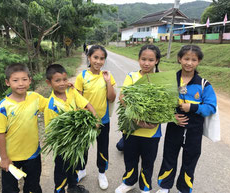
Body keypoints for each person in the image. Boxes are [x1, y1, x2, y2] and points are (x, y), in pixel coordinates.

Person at [156, 45, 217, 193]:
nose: (189, 63)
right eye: (186, 59)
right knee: (169, 156)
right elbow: (160, 103)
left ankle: (185, 188)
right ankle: (165, 187)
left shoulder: (203, 84)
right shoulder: (169, 80)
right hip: (174, 127)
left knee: (190, 160)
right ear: (179, 59)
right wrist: (171, 116)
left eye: (193, 60)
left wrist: (193, 108)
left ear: (198, 62)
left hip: (194, 131)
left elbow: (211, 107)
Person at [0, 63, 47, 193]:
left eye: (24, 79)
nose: (20, 83)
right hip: (11, 157)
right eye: (15, 80)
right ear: (7, 82)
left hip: (33, 153)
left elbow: (51, 105)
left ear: (30, 80)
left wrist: (65, 91)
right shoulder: (3, 107)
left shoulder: (35, 97)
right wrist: (4, 158)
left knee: (33, 186)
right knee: (10, 189)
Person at [115, 44, 162, 193]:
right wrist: (136, 117)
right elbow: (123, 97)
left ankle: (145, 186)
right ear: (138, 59)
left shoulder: (161, 80)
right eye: (143, 59)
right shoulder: (131, 76)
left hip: (151, 131)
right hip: (132, 129)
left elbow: (165, 106)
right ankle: (129, 182)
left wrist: (153, 122)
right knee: (130, 158)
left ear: (157, 61)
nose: (146, 63)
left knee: (148, 161)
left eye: (150, 60)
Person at [44, 64, 97, 193]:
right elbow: (52, 132)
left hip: (77, 142)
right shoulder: (51, 105)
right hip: (64, 145)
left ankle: (73, 187)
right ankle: (60, 189)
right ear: (49, 83)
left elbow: (86, 103)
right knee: (62, 169)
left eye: (64, 79)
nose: (62, 83)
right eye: (57, 80)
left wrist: (94, 118)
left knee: (75, 165)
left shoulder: (71, 91)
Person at [74, 45, 116, 190]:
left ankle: (102, 173)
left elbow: (111, 98)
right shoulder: (82, 76)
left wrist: (108, 82)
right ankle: (81, 170)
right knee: (82, 147)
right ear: (89, 58)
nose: (98, 61)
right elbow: (78, 99)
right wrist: (89, 117)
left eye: (102, 58)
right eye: (95, 57)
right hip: (86, 120)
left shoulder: (107, 76)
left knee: (102, 147)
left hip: (103, 120)